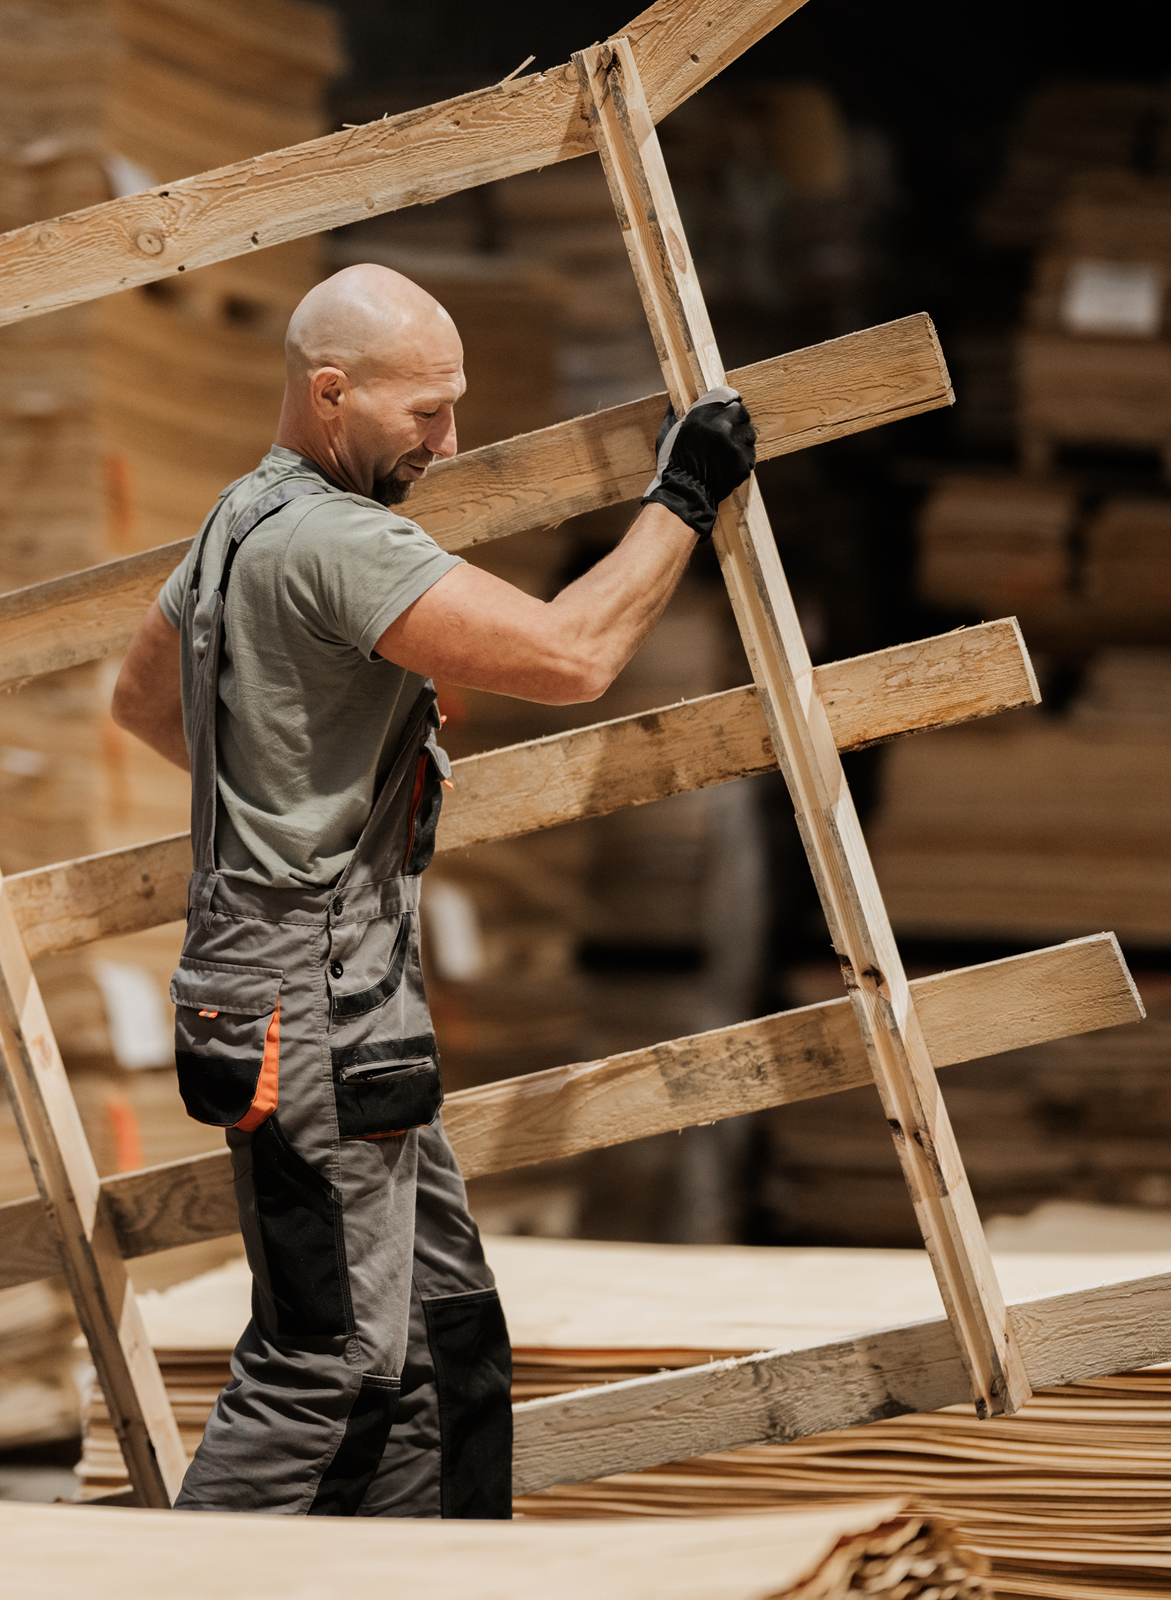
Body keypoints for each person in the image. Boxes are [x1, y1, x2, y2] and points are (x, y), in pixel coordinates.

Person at [111, 262, 756, 1517]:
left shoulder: (235, 522)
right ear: (332, 392)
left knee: (437, 1335)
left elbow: (142, 702)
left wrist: (292, 785)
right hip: (310, 1008)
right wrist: (687, 494)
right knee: (329, 1358)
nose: (448, 443)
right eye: (424, 414)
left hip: (316, 992)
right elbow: (572, 654)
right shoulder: (336, 541)